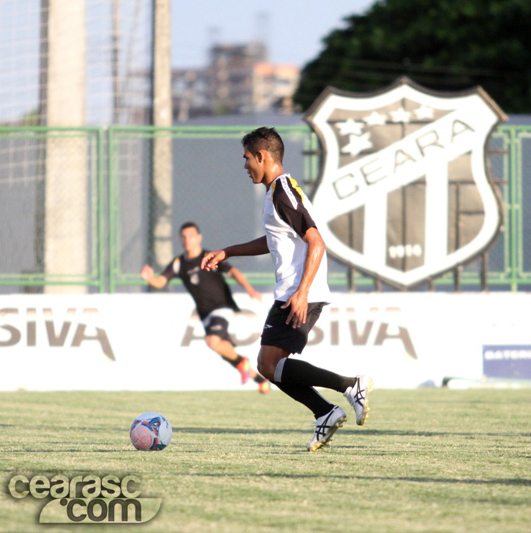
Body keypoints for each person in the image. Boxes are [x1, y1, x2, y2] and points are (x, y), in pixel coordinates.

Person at [201, 126, 372, 452]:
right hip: (295, 290)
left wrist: (302, 292)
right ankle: (326, 411)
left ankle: (350, 387)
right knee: (269, 365)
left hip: (298, 291)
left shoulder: (283, 192)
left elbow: (316, 242)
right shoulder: (277, 192)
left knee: (268, 365)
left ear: (262, 156)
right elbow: (276, 239)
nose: (245, 165)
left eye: (247, 158)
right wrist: (229, 251)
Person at [141, 221, 270, 393]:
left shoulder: (210, 256)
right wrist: (149, 278)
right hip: (205, 314)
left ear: (199, 238)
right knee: (224, 349)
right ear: (180, 239)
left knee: (213, 342)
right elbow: (160, 281)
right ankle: (260, 381)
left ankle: (243, 363)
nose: (187, 240)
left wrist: (249, 289)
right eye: (184, 237)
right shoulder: (179, 263)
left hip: (222, 307)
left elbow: (233, 271)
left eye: (191, 236)